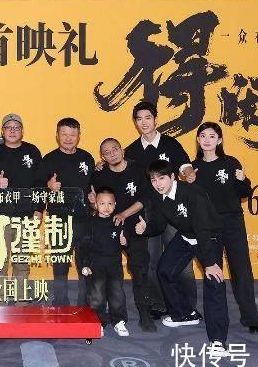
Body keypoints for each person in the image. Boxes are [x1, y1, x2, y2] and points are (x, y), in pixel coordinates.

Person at [136, 160, 230, 357]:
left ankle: (218, 340)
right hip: (186, 236)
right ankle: (184, 314)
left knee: (214, 283)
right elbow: (159, 224)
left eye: (162, 178)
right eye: (153, 180)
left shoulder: (192, 194)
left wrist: (210, 263)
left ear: (172, 177)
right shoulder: (158, 195)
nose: (158, 184)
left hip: (208, 238)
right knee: (165, 270)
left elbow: (203, 228)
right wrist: (146, 229)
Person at [187, 122, 258, 334]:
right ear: (198, 140)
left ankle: (251, 317)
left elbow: (244, 193)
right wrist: (188, 182)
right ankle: (217, 320)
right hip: (207, 227)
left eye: (212, 136)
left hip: (232, 222)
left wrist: (243, 180)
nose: (207, 140)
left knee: (241, 270)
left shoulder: (230, 163)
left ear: (219, 140)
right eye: (203, 136)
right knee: (213, 272)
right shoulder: (193, 168)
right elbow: (190, 201)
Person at [122, 100, 196, 320]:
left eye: (148, 118)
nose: (144, 122)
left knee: (181, 261)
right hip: (148, 212)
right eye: (139, 119)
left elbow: (184, 165)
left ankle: (187, 306)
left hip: (174, 210)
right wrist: (101, 165)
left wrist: (189, 173)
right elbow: (119, 169)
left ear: (156, 119)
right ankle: (159, 303)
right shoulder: (132, 151)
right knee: (152, 260)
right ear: (135, 122)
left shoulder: (170, 144)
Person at [91, 137, 157, 331]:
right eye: (107, 152)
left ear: (122, 150)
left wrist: (124, 214)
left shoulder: (138, 169)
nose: (112, 154)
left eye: (115, 149)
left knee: (140, 270)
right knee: (104, 275)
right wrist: (93, 203)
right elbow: (94, 201)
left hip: (134, 227)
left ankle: (145, 314)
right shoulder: (99, 175)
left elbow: (145, 198)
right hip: (108, 230)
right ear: (102, 157)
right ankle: (101, 315)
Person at [0, 113, 44, 304]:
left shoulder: (32, 151)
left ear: (22, 131)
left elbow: (40, 183)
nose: (13, 130)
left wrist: (39, 209)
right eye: (9, 127)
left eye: (17, 127)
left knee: (21, 263)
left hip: (26, 216)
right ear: (2, 131)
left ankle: (20, 301)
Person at [41, 117, 94, 307]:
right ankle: (60, 303)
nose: (68, 138)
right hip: (59, 220)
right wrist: (48, 186)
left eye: (72, 134)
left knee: (85, 264)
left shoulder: (87, 158)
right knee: (60, 265)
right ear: (57, 136)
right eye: (64, 134)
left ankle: (85, 304)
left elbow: (93, 186)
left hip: (84, 219)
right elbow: (37, 189)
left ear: (79, 136)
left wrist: (94, 198)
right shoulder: (48, 159)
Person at [77, 187, 131, 337]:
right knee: (96, 294)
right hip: (96, 264)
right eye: (102, 203)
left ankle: (119, 321)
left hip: (114, 264)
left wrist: (125, 241)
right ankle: (98, 321)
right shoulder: (90, 223)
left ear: (115, 205)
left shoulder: (118, 221)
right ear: (96, 204)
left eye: (110, 204)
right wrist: (84, 265)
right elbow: (83, 246)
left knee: (117, 293)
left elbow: (126, 242)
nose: (106, 207)